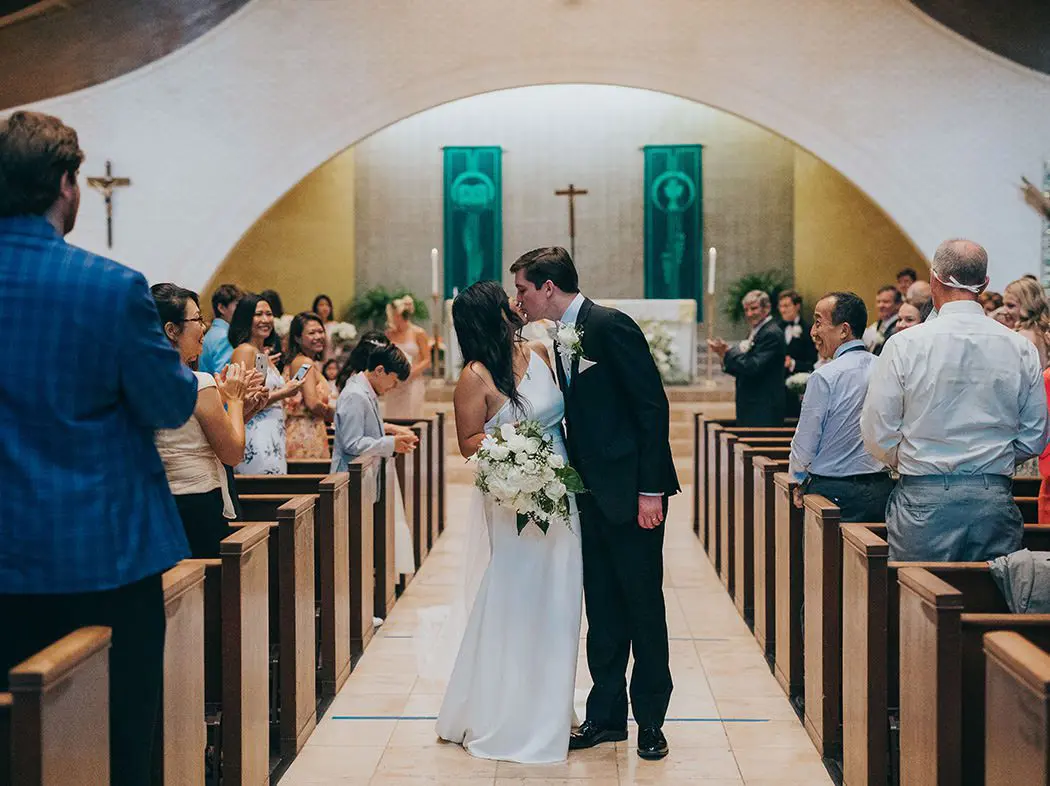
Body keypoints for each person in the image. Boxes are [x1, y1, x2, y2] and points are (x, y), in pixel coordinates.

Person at [0, 110, 198, 786]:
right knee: (117, 748)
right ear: (65, 183)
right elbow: (170, 405)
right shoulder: (109, 287)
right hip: (102, 557)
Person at [512, 247, 679, 760]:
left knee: (642, 607)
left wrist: (650, 490)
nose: (518, 300)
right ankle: (606, 717)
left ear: (547, 287)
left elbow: (651, 407)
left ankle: (650, 720)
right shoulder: (558, 335)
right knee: (603, 610)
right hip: (590, 495)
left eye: (522, 289)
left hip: (631, 495)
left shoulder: (609, 325)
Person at [435, 281, 582, 762]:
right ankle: (507, 708)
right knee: (517, 594)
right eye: (506, 302)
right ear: (490, 316)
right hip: (512, 493)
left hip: (560, 490)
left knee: (560, 597)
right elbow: (468, 441)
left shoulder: (538, 351)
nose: (515, 305)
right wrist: (516, 451)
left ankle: (551, 705)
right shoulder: (474, 377)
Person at [861, 239, 1049, 562]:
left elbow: (877, 430)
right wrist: (994, 459)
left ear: (934, 279)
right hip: (992, 499)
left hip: (922, 498)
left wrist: (910, 459)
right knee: (989, 592)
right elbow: (1035, 435)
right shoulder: (1019, 348)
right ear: (984, 284)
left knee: (917, 591)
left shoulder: (904, 344)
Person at [151, 284, 258, 557]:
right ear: (171, 330)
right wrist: (235, 399)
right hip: (197, 504)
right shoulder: (198, 384)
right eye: (197, 319)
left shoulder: (137, 380)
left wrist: (243, 411)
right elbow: (232, 453)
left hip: (154, 502)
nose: (204, 327)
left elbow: (195, 436)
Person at [789, 292, 892, 520]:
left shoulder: (825, 376)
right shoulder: (886, 367)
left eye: (818, 323)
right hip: (881, 489)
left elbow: (806, 440)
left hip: (834, 493)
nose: (813, 332)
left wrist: (796, 479)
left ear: (844, 330)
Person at [331, 332, 417, 576]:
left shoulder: (364, 390)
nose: (392, 388)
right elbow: (352, 443)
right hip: (348, 480)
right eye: (393, 381)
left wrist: (390, 434)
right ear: (380, 370)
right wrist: (390, 444)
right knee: (351, 546)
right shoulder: (355, 395)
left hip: (363, 480)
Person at [229, 294, 305, 475]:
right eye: (258, 314)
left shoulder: (261, 354)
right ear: (246, 317)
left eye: (269, 314)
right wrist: (284, 392)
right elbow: (243, 401)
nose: (265, 319)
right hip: (256, 435)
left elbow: (260, 391)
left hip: (273, 432)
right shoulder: (244, 350)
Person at [708, 290, 787, 427]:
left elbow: (753, 366)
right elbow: (744, 368)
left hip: (763, 406)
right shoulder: (758, 331)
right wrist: (723, 355)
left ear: (767, 308)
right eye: (746, 310)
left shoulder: (771, 333)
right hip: (752, 405)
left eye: (754, 308)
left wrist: (728, 352)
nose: (749, 314)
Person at [283, 311, 334, 459]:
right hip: (305, 433)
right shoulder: (304, 363)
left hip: (310, 429)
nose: (318, 336)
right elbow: (312, 404)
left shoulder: (302, 362)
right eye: (312, 333)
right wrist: (339, 415)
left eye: (321, 331)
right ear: (297, 338)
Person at [384, 295, 431, 418]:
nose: (393, 318)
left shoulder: (418, 333)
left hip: (413, 381)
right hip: (393, 383)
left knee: (411, 417)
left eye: (395, 315)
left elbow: (427, 360)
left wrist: (410, 373)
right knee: (393, 418)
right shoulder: (389, 334)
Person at [777, 289, 817, 417]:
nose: (783, 310)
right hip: (776, 391)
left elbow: (813, 362)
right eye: (781, 306)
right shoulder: (775, 329)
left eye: (786, 306)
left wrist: (793, 364)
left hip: (798, 392)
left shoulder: (808, 330)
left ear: (797, 306)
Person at [1004, 277, 1050, 369]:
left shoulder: (1020, 337)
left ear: (1028, 305)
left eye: (1010, 306)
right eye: (1004, 305)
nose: (1005, 311)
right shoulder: (1044, 333)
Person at [199, 283, 243, 375]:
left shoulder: (214, 332)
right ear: (221, 308)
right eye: (238, 305)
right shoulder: (224, 336)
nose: (242, 310)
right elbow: (225, 376)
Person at [862, 285, 902, 354]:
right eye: (878, 302)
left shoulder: (900, 326)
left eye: (886, 302)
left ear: (898, 304)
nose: (880, 305)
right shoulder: (877, 324)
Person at [312, 293, 338, 360]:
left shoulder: (335, 325)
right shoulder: (311, 325)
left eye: (327, 305)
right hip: (316, 360)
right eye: (321, 305)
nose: (325, 308)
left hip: (332, 360)